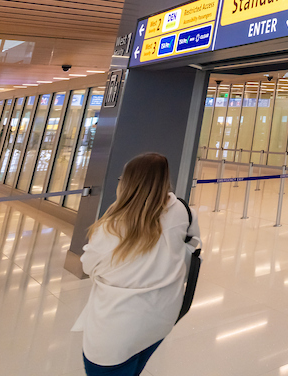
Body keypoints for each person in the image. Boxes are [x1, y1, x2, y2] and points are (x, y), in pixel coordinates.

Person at [72, 152, 200, 376]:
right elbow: (191, 249)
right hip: (161, 319)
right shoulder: (183, 211)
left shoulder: (112, 226)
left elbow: (88, 266)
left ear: (129, 183)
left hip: (115, 332)